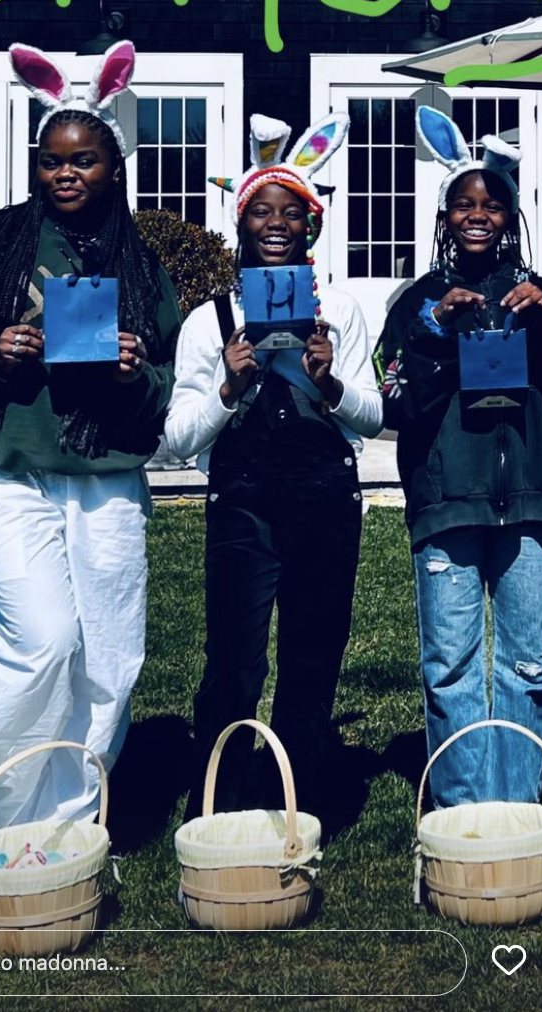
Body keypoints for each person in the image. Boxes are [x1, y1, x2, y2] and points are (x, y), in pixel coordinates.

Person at [0, 41, 182, 829]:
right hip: (0, 464)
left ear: (111, 169)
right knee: (44, 639)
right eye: (52, 160)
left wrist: (130, 377)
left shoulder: (142, 266)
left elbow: (168, 386)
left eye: (83, 160)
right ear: (35, 166)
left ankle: (70, 825)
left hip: (102, 472)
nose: (66, 173)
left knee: (108, 660)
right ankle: (1, 792)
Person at [374, 106, 542, 809]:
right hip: (447, 502)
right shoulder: (416, 302)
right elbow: (392, 400)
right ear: (444, 219)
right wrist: (435, 331)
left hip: (531, 498)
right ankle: (463, 812)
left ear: (508, 216)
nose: (477, 216)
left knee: (526, 663)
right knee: (449, 665)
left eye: (490, 205)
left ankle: (515, 806)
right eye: (463, 206)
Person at [164, 112, 382, 820]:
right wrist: (229, 387)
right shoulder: (211, 320)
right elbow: (176, 439)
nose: (277, 221)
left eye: (293, 211)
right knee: (233, 659)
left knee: (314, 653)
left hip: (325, 496)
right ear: (241, 222)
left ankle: (298, 799)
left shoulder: (340, 311)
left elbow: (372, 418)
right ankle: (217, 804)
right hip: (244, 500)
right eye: (262, 209)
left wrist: (330, 385)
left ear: (311, 226)